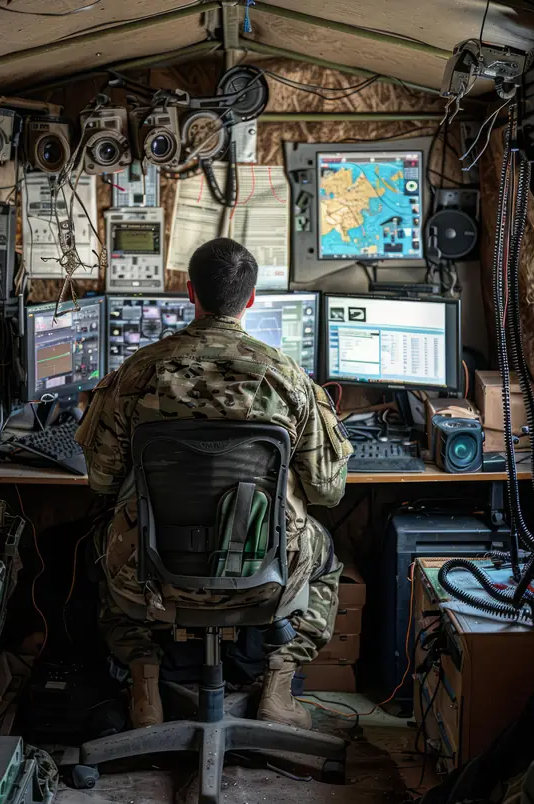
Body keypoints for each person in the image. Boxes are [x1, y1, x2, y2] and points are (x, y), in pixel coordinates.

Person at [76, 238, 352, 730]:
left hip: (154, 577)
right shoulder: (288, 379)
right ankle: (278, 685)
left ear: (189, 293)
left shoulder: (138, 373)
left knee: (100, 545)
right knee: (326, 556)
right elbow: (329, 491)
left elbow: (101, 479)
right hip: (264, 576)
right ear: (250, 300)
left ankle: (144, 686)